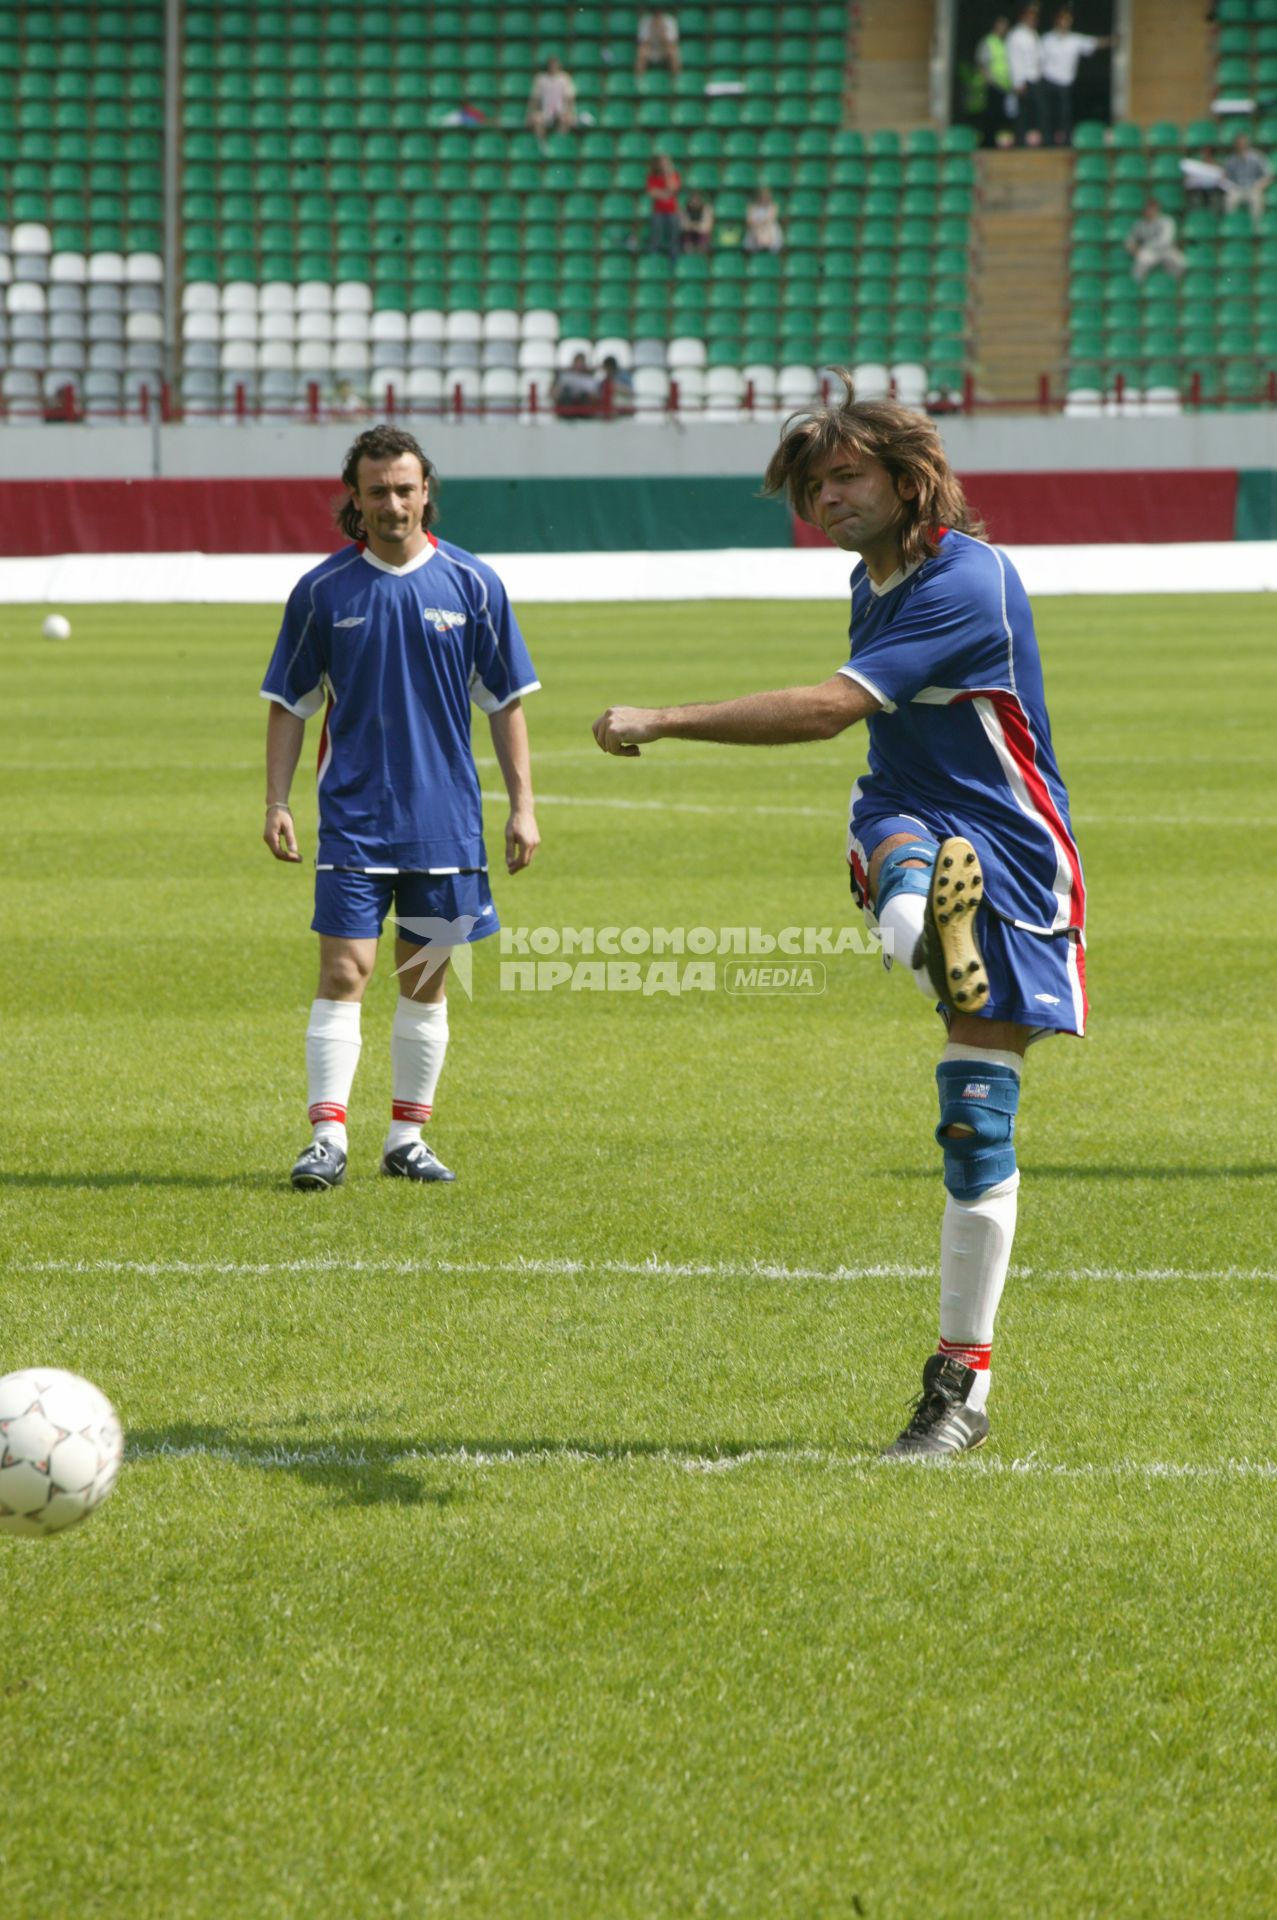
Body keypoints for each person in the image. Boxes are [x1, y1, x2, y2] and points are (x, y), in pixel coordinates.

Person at [592, 384, 1087, 1462]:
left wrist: (662, 719)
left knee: (973, 1121)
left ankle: (962, 1381)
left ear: (907, 477)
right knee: (895, 852)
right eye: (813, 484)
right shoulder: (873, 582)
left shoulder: (966, 578)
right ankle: (924, 933)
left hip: (1010, 845)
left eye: (844, 475)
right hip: (906, 813)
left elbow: (828, 710)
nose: (824, 497)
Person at [260, 424, 541, 1192]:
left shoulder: (473, 585)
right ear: (354, 498)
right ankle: (326, 1138)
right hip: (354, 821)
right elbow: (289, 703)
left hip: (447, 825)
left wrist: (522, 807)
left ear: (427, 493)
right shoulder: (322, 591)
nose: (392, 503)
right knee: (344, 971)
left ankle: (407, 1139)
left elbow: (505, 701)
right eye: (376, 490)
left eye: (404, 488)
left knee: (426, 980)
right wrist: (276, 800)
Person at [1040, 7, 1114, 146]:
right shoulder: (1047, 39)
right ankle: (1047, 143)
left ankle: (1066, 144)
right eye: (1063, 19)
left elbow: (1094, 43)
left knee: (1065, 115)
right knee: (1048, 115)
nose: (1065, 22)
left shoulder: (1074, 39)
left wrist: (1112, 40)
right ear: (1057, 21)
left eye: (1068, 20)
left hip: (1065, 83)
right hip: (1048, 81)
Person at [1006, 3, 1046, 147]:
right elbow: (1014, 60)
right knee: (1022, 114)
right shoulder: (1016, 35)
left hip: (1035, 78)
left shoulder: (1033, 34)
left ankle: (1041, 143)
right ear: (1023, 17)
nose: (1033, 19)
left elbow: (1039, 57)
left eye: (1035, 16)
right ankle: (1021, 143)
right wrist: (1018, 82)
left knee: (1040, 112)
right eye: (1030, 16)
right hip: (1023, 80)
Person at [975, 14, 1015, 149]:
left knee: (1002, 116)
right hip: (993, 85)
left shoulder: (1006, 42)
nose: (1004, 29)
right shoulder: (989, 41)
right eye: (1001, 26)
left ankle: (1000, 142)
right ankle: (988, 142)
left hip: (1005, 86)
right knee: (990, 116)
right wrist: (988, 80)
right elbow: (981, 63)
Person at [1125, 197, 1186, 281]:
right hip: (1149, 251)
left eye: (1152, 209)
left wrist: (1143, 247)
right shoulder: (1140, 224)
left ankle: (1175, 285)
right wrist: (1131, 247)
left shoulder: (1167, 221)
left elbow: (1166, 240)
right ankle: (1138, 288)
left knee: (1181, 262)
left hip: (1166, 250)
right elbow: (1130, 239)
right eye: (1148, 209)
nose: (1150, 211)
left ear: (1157, 209)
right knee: (1140, 262)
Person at [1222, 132, 1272, 229]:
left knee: (1257, 200)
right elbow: (1226, 176)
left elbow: (1268, 175)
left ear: (1247, 143)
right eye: (1239, 143)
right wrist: (1226, 181)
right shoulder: (1231, 159)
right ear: (1236, 145)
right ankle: (1232, 226)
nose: (1241, 145)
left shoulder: (1257, 157)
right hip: (1237, 188)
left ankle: (1256, 228)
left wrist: (1261, 185)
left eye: (1243, 143)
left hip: (1253, 187)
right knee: (1229, 199)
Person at [526, 55, 578, 143]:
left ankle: (559, 143)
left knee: (565, 119)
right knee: (537, 119)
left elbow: (570, 99)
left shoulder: (565, 78)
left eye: (555, 65)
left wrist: (572, 113)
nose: (553, 67)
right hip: (545, 111)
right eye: (551, 65)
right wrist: (529, 114)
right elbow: (534, 99)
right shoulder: (541, 79)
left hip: (561, 111)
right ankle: (542, 144)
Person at [645, 151, 682, 261]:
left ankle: (673, 253)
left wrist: (668, 174)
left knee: (674, 231)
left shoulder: (674, 175)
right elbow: (652, 193)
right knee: (656, 230)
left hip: (672, 210)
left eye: (666, 162)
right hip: (658, 211)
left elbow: (673, 188)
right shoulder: (652, 177)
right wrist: (665, 194)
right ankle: (653, 252)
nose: (664, 165)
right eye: (662, 162)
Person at [551, 350, 598, 417]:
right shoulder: (565, 377)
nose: (579, 365)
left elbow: (595, 396)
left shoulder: (589, 380)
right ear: (574, 362)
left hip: (583, 409)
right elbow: (554, 393)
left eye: (581, 362)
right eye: (578, 362)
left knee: (584, 397)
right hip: (567, 409)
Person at [636, 10, 682, 77]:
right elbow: (643, 43)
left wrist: (662, 33)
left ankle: (676, 80)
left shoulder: (670, 20)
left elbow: (672, 43)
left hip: (664, 49)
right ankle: (638, 80)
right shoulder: (645, 20)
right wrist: (652, 31)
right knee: (642, 51)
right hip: (651, 49)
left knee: (673, 51)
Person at [743, 183, 784, 253]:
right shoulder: (752, 207)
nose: (765, 198)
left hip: (769, 229)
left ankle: (765, 243)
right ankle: (761, 243)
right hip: (755, 229)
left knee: (769, 228)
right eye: (763, 196)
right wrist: (758, 226)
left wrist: (760, 224)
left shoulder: (773, 206)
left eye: (766, 196)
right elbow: (749, 221)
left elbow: (770, 219)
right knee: (755, 229)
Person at [680, 188, 715, 253]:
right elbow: (683, 226)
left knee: (704, 235)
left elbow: (707, 227)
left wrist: (695, 226)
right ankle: (689, 255)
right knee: (686, 236)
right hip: (690, 234)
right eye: (693, 198)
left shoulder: (707, 209)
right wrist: (693, 226)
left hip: (702, 234)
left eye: (697, 198)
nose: (695, 201)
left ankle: (701, 255)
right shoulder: (684, 209)